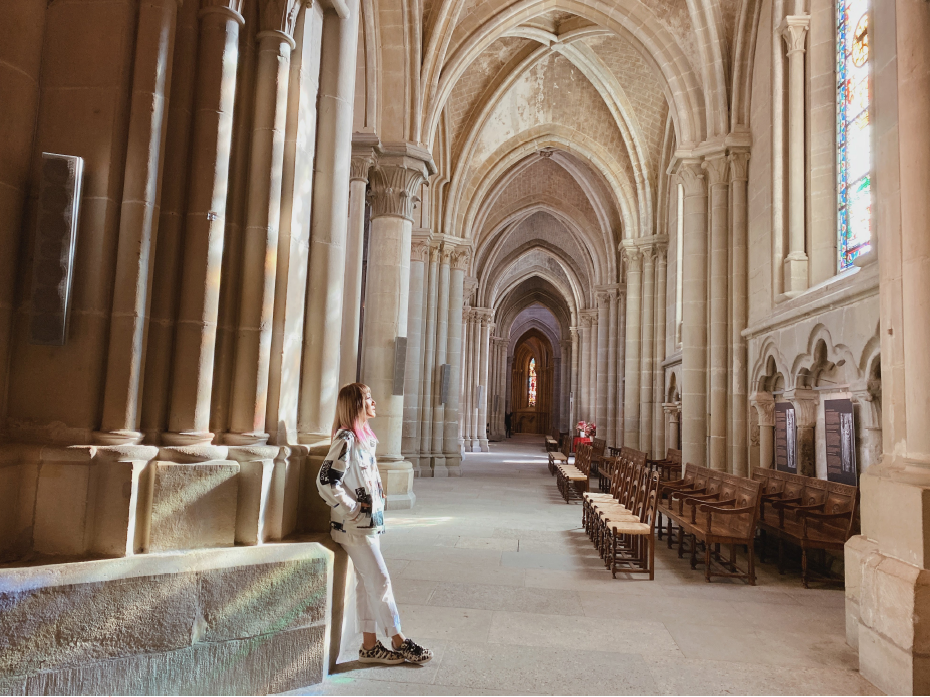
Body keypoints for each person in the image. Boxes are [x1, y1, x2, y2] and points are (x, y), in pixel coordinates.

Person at [317, 383, 433, 665]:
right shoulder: (345, 439)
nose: (374, 402)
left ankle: (369, 646)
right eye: (368, 398)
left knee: (367, 583)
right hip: (354, 527)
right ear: (356, 405)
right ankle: (398, 639)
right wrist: (352, 508)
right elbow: (325, 480)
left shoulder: (363, 438)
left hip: (367, 525)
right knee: (380, 580)